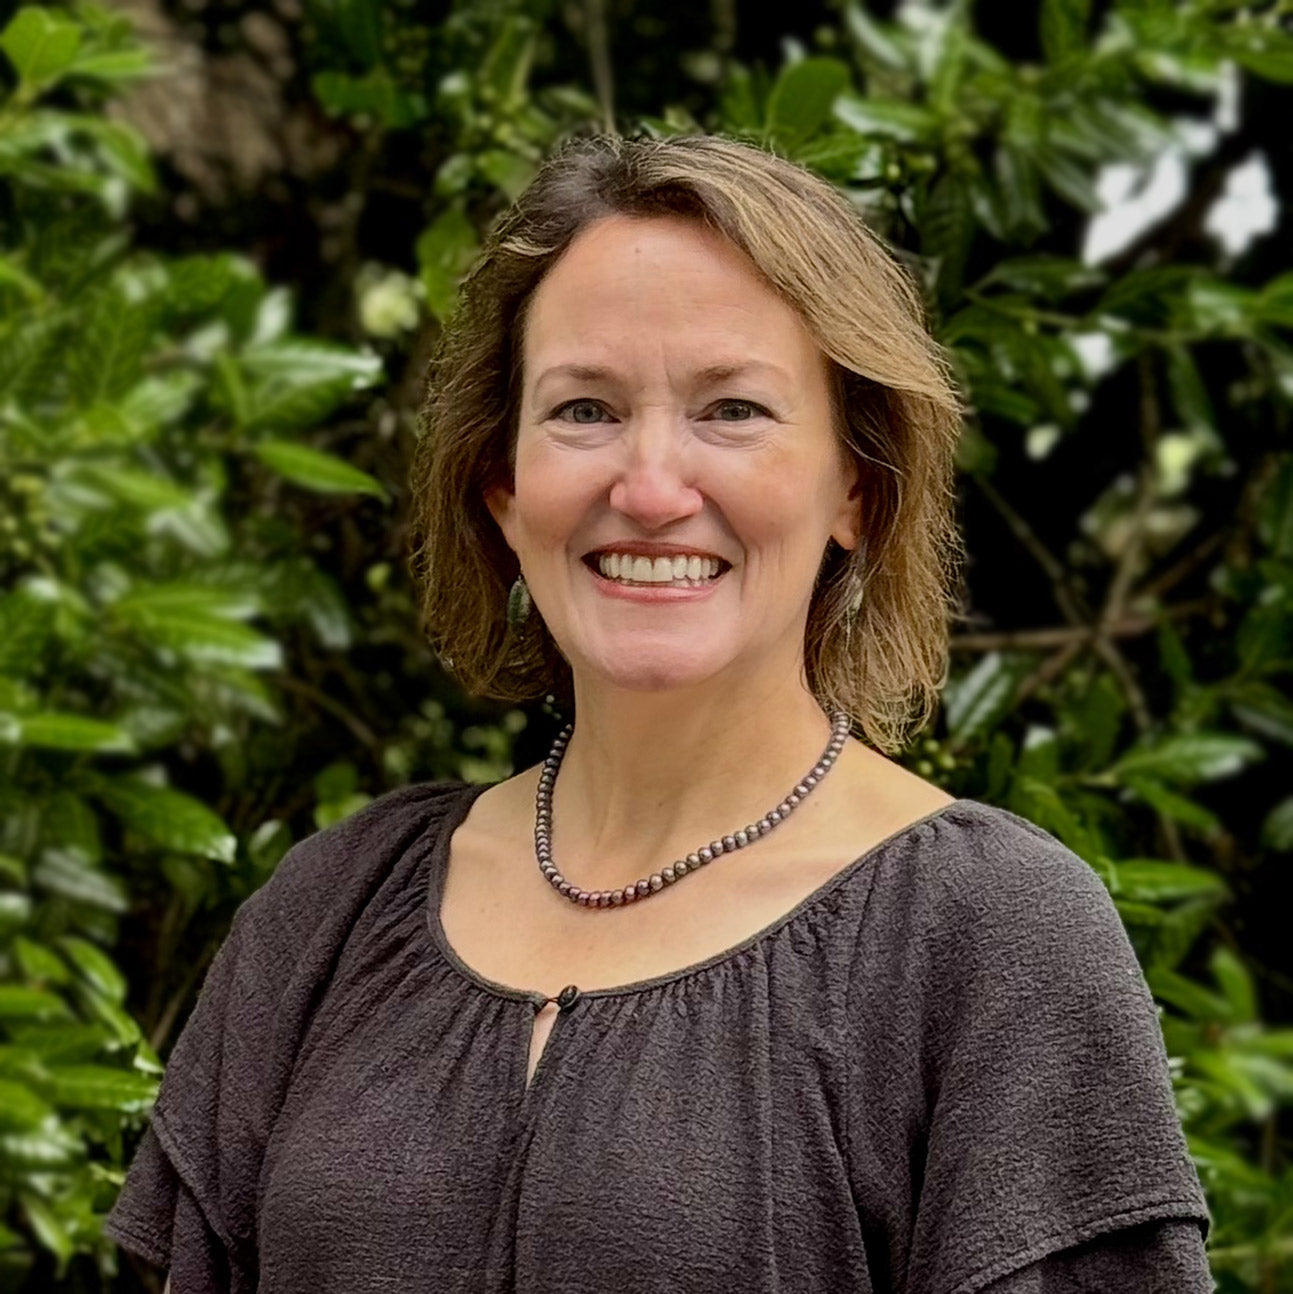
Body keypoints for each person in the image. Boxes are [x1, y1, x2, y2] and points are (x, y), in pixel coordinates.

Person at [104, 134, 1212, 1293]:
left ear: (855, 486)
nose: (648, 488)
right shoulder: (326, 918)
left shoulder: (989, 940)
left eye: (732, 409)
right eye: (584, 408)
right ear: (502, 484)